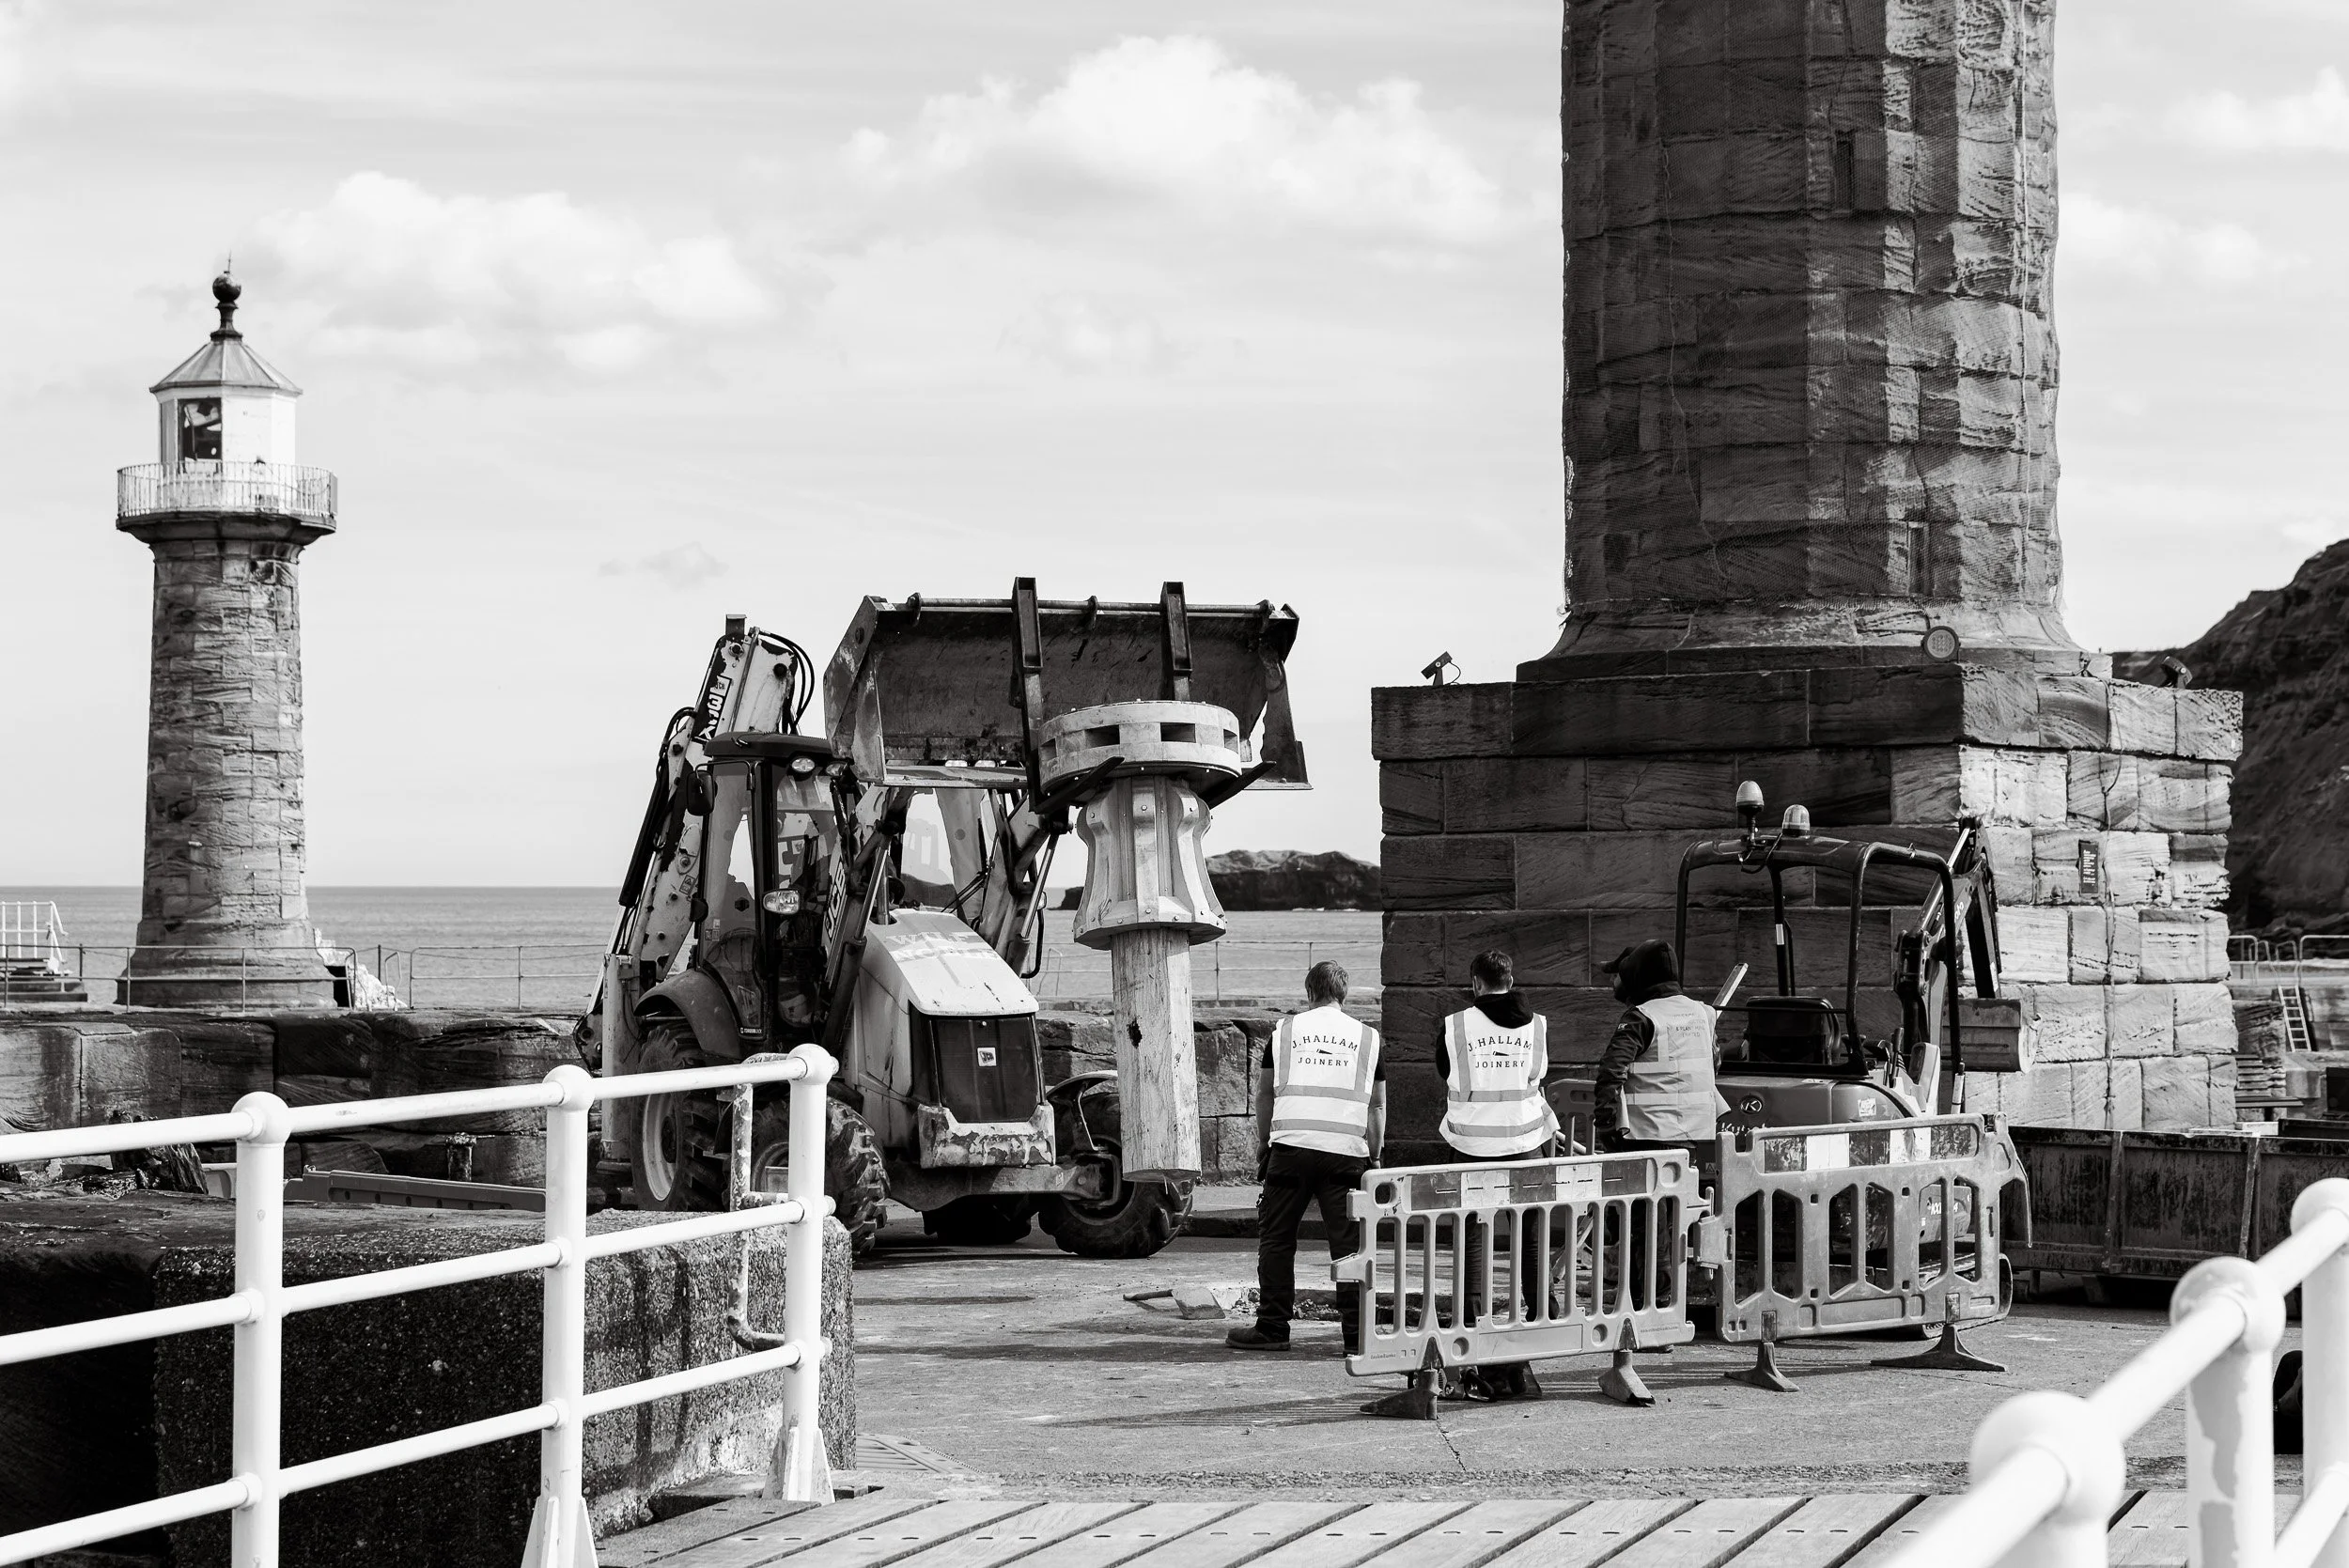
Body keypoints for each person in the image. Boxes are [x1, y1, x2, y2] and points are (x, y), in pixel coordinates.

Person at [1226, 960, 1383, 1356]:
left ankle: (1273, 1327)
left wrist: (1266, 1142)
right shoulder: (1368, 1038)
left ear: (1309, 992)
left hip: (1291, 1151)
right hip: (1346, 1156)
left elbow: (1265, 1095)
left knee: (1277, 1240)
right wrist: (1375, 1156)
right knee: (1349, 1248)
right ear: (1343, 995)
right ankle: (1356, 1337)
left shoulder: (1284, 1033)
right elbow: (1376, 1106)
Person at [1434, 949, 1558, 1404]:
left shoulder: (1455, 1026)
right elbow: (1538, 1078)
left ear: (1476, 984)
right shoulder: (1538, 1026)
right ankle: (1541, 1308)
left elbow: (1445, 1072)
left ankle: (1470, 1316)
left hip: (1471, 1145)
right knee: (1529, 1231)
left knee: (1471, 1237)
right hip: (1526, 1142)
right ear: (1511, 978)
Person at [1594, 939, 1721, 1155]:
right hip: (1695, 1134)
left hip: (1647, 1135)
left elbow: (1611, 1071)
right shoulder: (1704, 1013)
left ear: (1639, 974)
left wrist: (1606, 1124)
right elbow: (1714, 1065)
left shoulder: (1642, 1016)